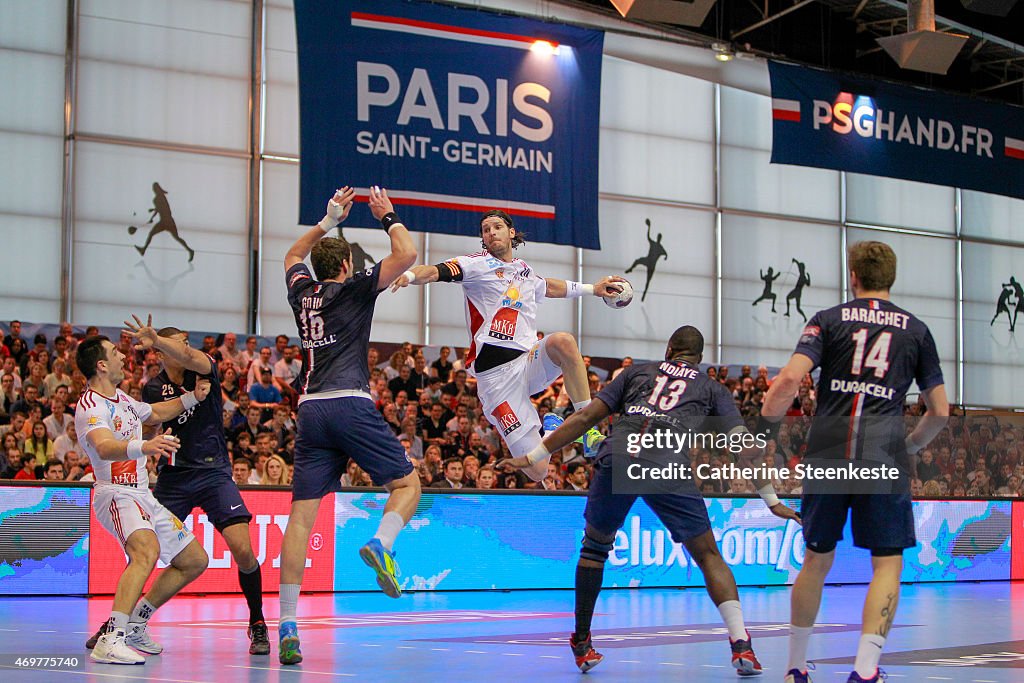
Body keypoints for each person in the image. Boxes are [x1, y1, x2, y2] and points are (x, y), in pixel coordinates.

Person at [500, 325, 799, 675]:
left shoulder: (638, 371)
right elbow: (743, 449)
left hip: (619, 458)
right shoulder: (711, 387)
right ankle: (742, 647)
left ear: (669, 348)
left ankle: (582, 643)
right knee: (708, 555)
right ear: (699, 359)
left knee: (595, 548)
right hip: (666, 464)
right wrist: (770, 498)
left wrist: (534, 454)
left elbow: (584, 417)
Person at [760, 241, 949, 683]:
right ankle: (865, 671)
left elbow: (789, 379)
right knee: (886, 562)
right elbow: (939, 411)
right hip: (883, 451)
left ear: (853, 276)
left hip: (829, 448)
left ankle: (795, 667)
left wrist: (766, 427)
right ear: (892, 278)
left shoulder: (827, 320)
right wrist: (914, 446)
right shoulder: (916, 331)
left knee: (816, 559)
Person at [277, 186, 421, 665]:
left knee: (301, 518)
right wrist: (386, 215)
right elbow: (408, 253)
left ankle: (288, 626)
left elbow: (292, 254)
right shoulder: (354, 288)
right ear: (344, 267)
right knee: (407, 484)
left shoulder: (302, 293)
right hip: (349, 403)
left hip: (311, 410)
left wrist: (328, 218)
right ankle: (381, 544)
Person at [391, 209, 620, 481]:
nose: (491, 232)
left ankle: (588, 426)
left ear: (511, 233)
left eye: (497, 227)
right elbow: (434, 271)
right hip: (496, 381)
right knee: (537, 471)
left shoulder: (524, 270)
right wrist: (411, 276)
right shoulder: (475, 265)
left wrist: (592, 289)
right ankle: (553, 428)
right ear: (483, 239)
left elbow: (549, 286)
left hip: (526, 362)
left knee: (564, 342)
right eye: (486, 230)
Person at [97, 317, 269, 655]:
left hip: (213, 473)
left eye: (186, 343)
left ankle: (258, 622)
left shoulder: (205, 369)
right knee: (144, 553)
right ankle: (122, 624)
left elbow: (192, 358)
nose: (186, 348)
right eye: (179, 344)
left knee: (243, 550)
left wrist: (162, 343)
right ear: (163, 354)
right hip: (174, 478)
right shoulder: (152, 387)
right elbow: (153, 419)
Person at [74, 335, 210, 665]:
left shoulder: (121, 398)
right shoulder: (90, 406)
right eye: (115, 353)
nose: (123, 356)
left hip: (142, 493)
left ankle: (136, 623)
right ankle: (111, 638)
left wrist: (192, 397)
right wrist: (143, 447)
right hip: (116, 492)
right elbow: (104, 446)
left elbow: (152, 413)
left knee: (194, 560)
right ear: (101, 365)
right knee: (145, 551)